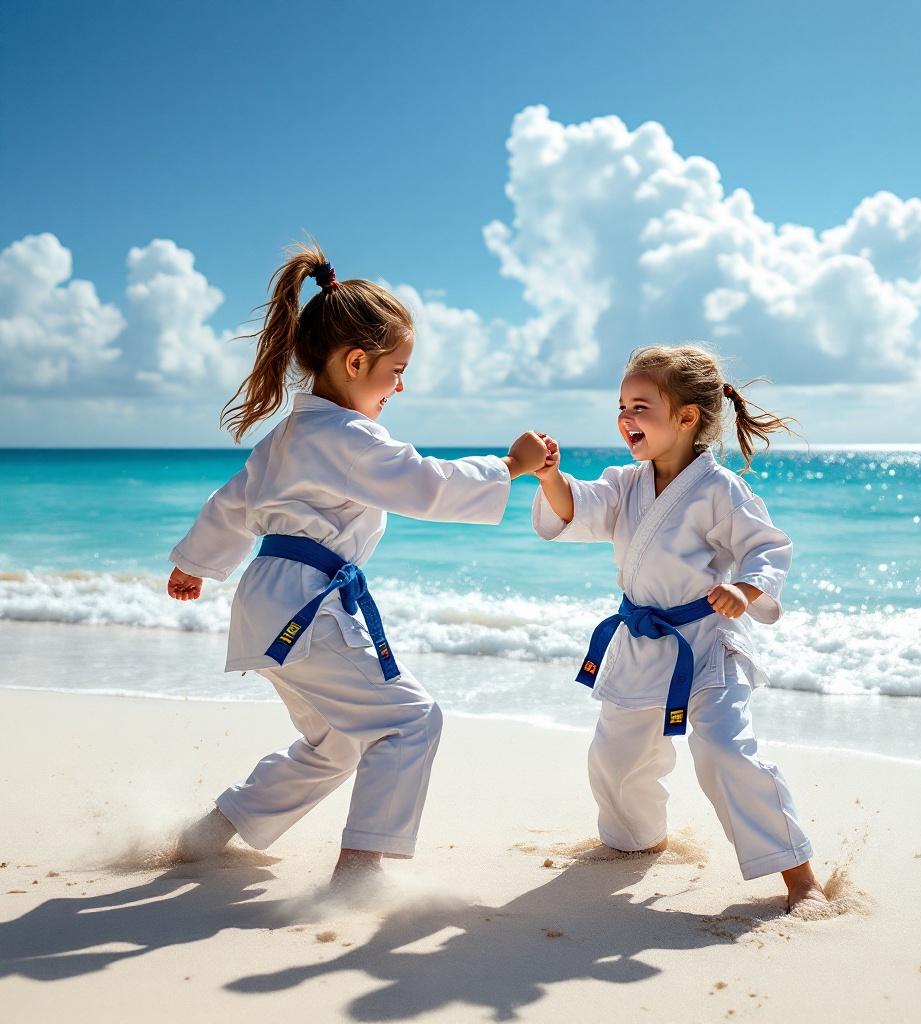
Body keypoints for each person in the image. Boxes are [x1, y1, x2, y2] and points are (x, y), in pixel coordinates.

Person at [167, 241, 550, 886]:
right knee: (410, 718)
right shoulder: (346, 437)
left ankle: (210, 833)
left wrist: (197, 564)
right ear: (355, 361)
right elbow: (425, 484)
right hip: (303, 610)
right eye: (397, 370)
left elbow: (232, 505)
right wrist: (510, 466)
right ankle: (359, 871)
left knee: (338, 743)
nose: (400, 385)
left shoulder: (288, 436)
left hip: (267, 600)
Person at [532, 344, 827, 914]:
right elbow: (575, 506)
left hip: (706, 642)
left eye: (641, 406)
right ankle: (636, 841)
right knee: (615, 759)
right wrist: (550, 476)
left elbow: (767, 549)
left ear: (687, 418)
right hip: (643, 641)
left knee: (723, 751)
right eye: (622, 406)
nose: (626, 418)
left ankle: (799, 875)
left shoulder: (720, 490)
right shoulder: (625, 483)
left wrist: (745, 589)